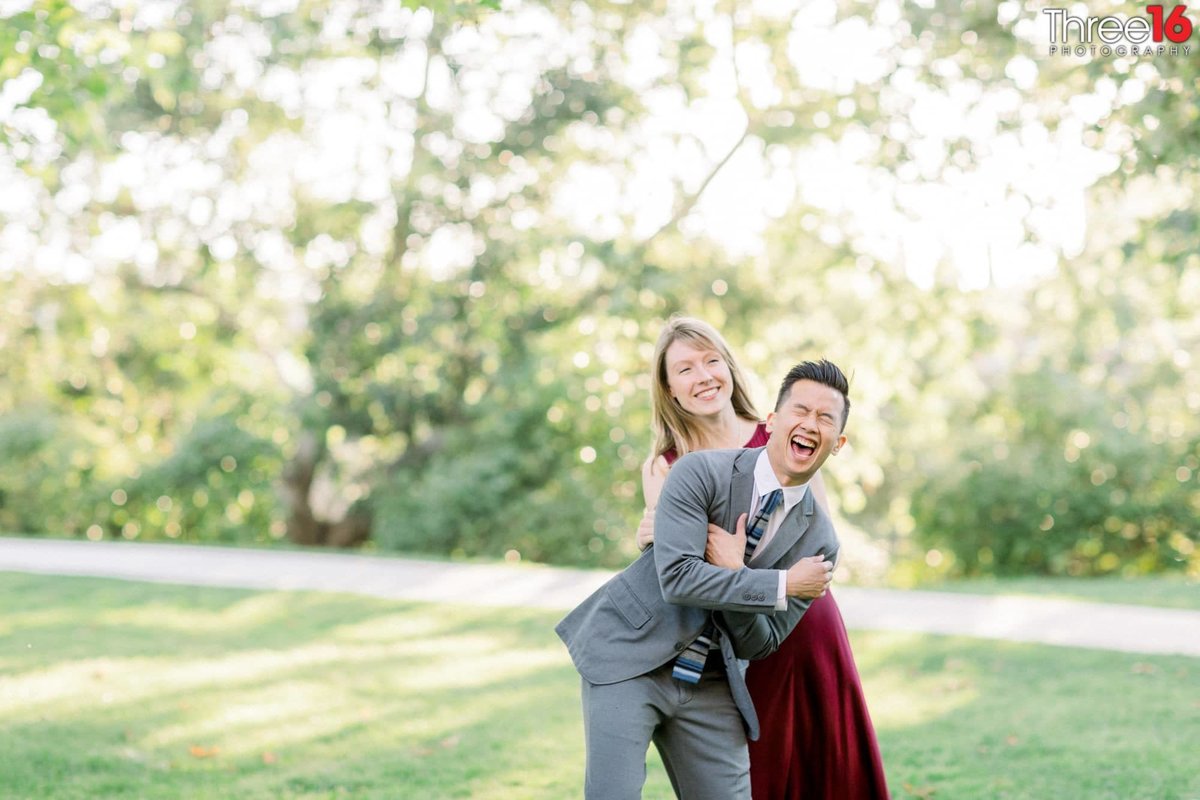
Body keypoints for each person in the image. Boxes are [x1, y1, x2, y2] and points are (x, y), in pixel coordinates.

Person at [556, 357, 849, 800]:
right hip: (630, 654)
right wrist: (778, 585)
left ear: (838, 442)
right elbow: (678, 578)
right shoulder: (699, 472)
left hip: (714, 680)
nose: (810, 424)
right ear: (771, 421)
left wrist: (736, 573)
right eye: (800, 411)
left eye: (825, 418)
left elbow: (760, 643)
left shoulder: (820, 542)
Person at [638, 317, 889, 799]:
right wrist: (649, 537)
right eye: (686, 369)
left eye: (712, 361)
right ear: (669, 389)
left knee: (827, 763)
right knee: (758, 772)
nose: (704, 376)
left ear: (730, 369)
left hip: (805, 625)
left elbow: (817, 541)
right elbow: (675, 571)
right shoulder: (663, 467)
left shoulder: (783, 431)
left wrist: (737, 565)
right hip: (730, 645)